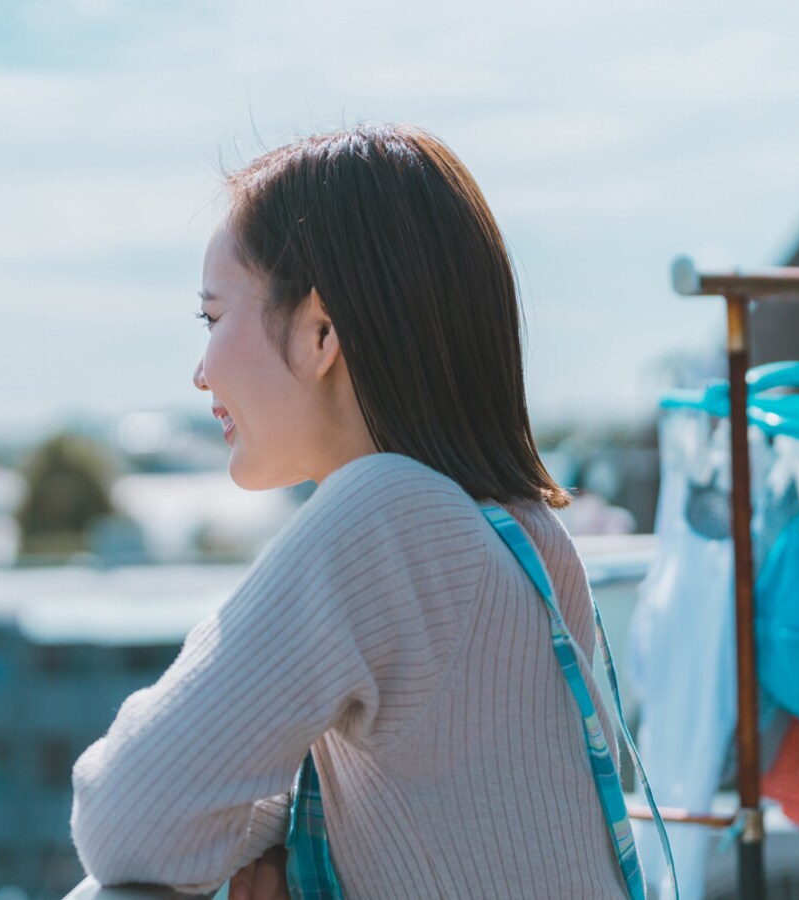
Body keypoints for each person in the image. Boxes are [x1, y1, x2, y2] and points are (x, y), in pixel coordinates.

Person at [70, 124, 643, 898]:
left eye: (212, 318)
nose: (201, 371)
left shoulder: (388, 516)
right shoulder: (520, 535)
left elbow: (128, 817)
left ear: (320, 330)